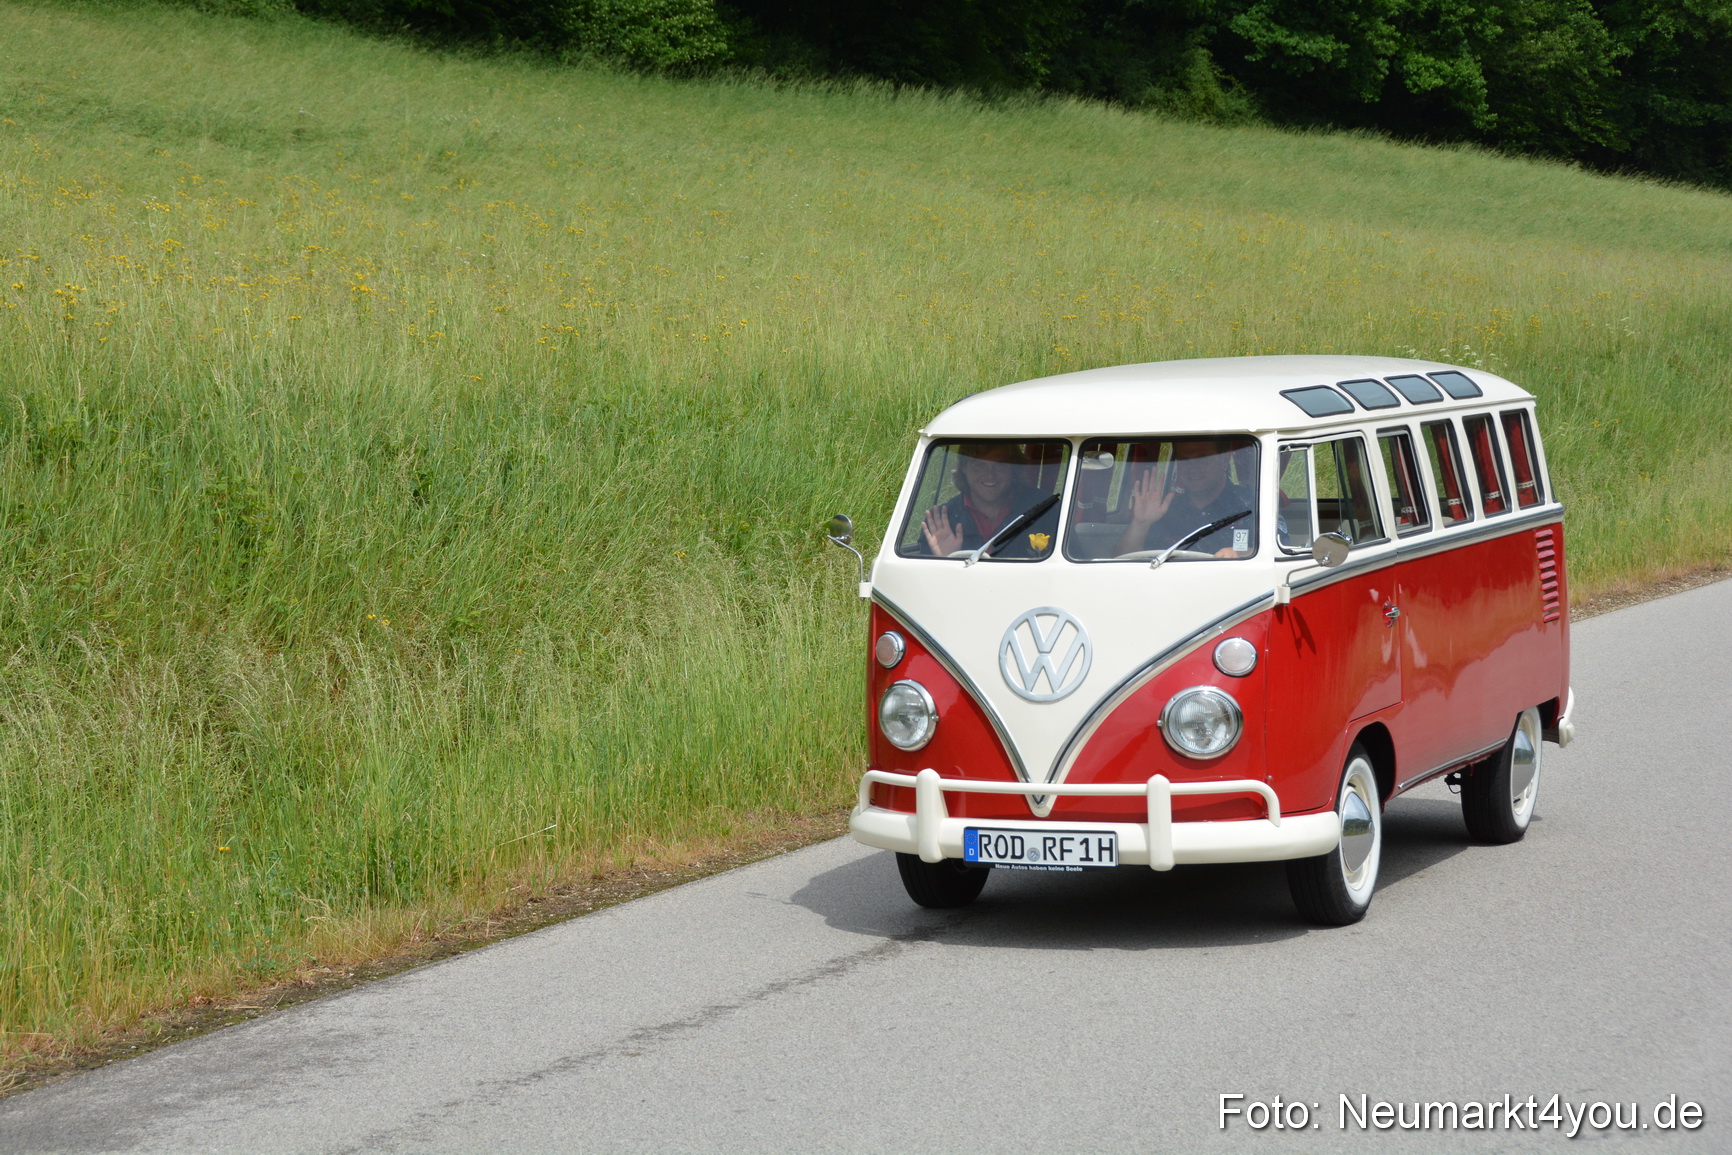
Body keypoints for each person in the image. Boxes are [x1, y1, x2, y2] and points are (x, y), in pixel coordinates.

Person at [1114, 439, 1255, 559]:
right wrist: (1141, 523)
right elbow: (1122, 560)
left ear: (1224, 459)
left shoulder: (1251, 503)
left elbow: (1269, 551)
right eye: (1185, 460)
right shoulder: (1165, 511)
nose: (1192, 467)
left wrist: (1243, 553)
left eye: (1201, 459)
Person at [919, 442, 1058, 559]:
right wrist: (945, 559)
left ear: (1013, 468)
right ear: (964, 468)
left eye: (1000, 465)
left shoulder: (1046, 509)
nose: (990, 475)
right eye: (979, 465)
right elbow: (926, 579)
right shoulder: (941, 522)